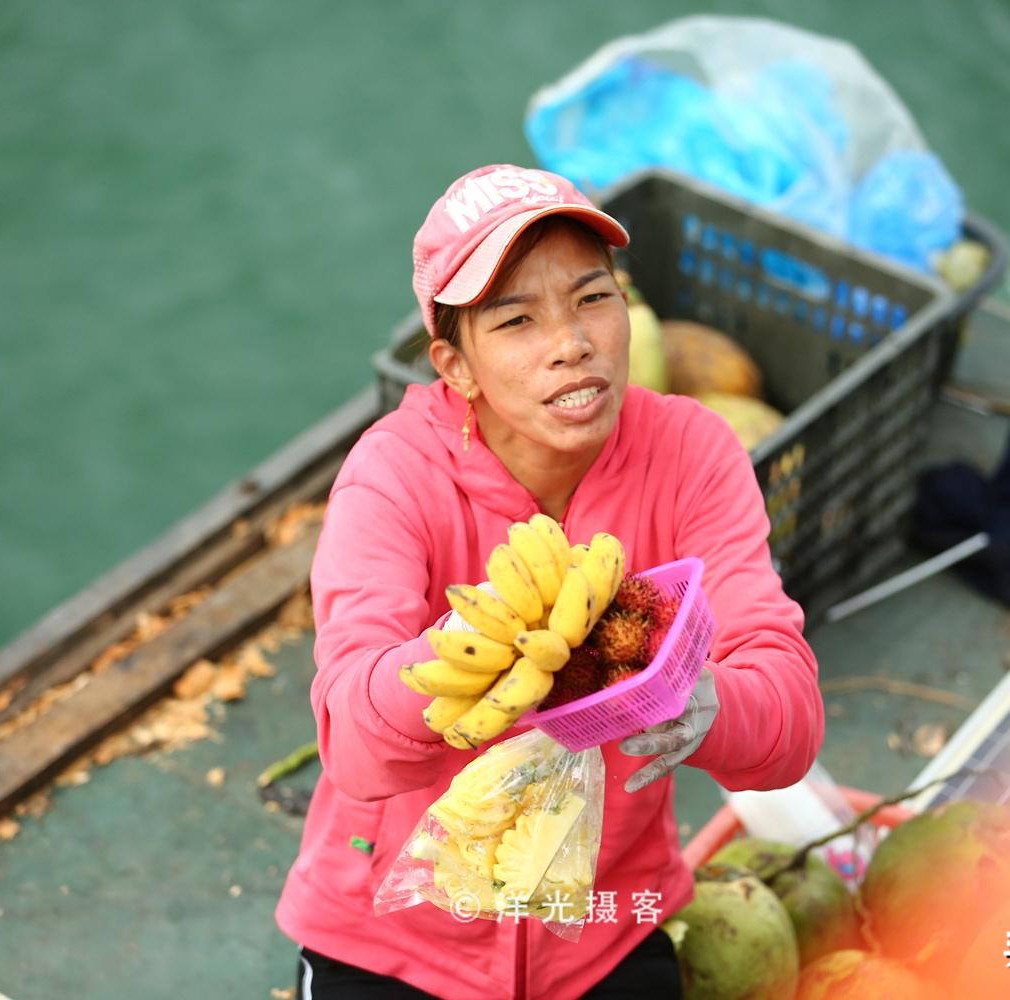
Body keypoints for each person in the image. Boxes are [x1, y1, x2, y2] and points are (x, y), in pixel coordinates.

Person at [276, 164, 823, 999]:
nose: (571, 341)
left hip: (603, 928)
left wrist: (708, 706)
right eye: (517, 319)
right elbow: (351, 741)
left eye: (592, 299)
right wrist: (469, 652)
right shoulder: (393, 476)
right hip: (391, 931)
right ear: (454, 366)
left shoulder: (692, 455)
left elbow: (789, 715)